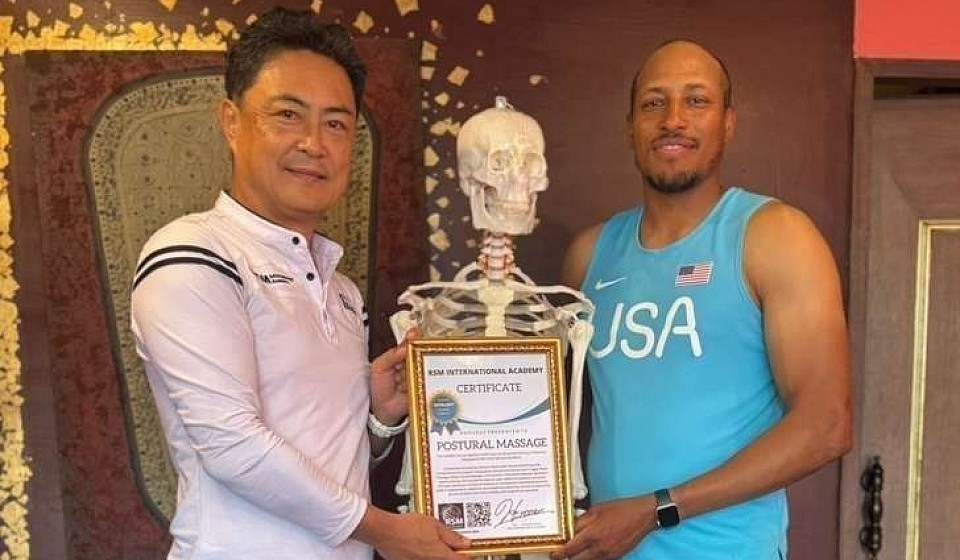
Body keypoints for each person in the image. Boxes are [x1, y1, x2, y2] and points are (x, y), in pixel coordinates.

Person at [130, 8, 468, 560]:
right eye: (288, 115)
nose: (314, 143)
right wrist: (385, 531)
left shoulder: (342, 292)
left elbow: (331, 457)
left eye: (336, 124)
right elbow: (232, 444)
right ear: (231, 122)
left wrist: (379, 419)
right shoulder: (193, 255)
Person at [553, 39, 851, 559]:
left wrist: (656, 510)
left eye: (696, 100)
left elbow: (826, 426)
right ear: (630, 127)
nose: (673, 119)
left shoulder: (776, 236)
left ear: (728, 123)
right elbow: (542, 408)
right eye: (654, 102)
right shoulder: (589, 256)